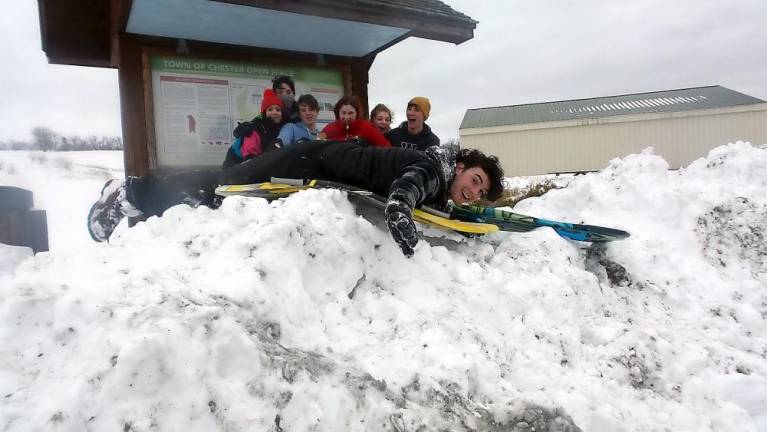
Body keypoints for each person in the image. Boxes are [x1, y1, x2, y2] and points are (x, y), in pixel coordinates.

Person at [87, 142, 504, 257]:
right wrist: (400, 209)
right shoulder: (431, 170)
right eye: (476, 179)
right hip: (310, 160)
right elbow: (410, 187)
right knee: (225, 185)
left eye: (480, 192)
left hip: (317, 164)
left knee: (225, 189)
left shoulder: (439, 173)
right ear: (462, 164)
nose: (474, 191)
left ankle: (139, 197)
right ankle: (131, 192)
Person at [222, 89, 284, 168]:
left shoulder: (278, 128)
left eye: (278, 109)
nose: (274, 112)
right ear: (264, 113)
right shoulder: (253, 130)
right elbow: (249, 161)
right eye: (270, 109)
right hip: (235, 165)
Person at [319, 96, 391, 147]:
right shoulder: (329, 128)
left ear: (357, 113)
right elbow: (315, 145)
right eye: (343, 113)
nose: (346, 117)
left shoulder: (366, 127)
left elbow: (385, 147)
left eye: (351, 113)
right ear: (338, 113)